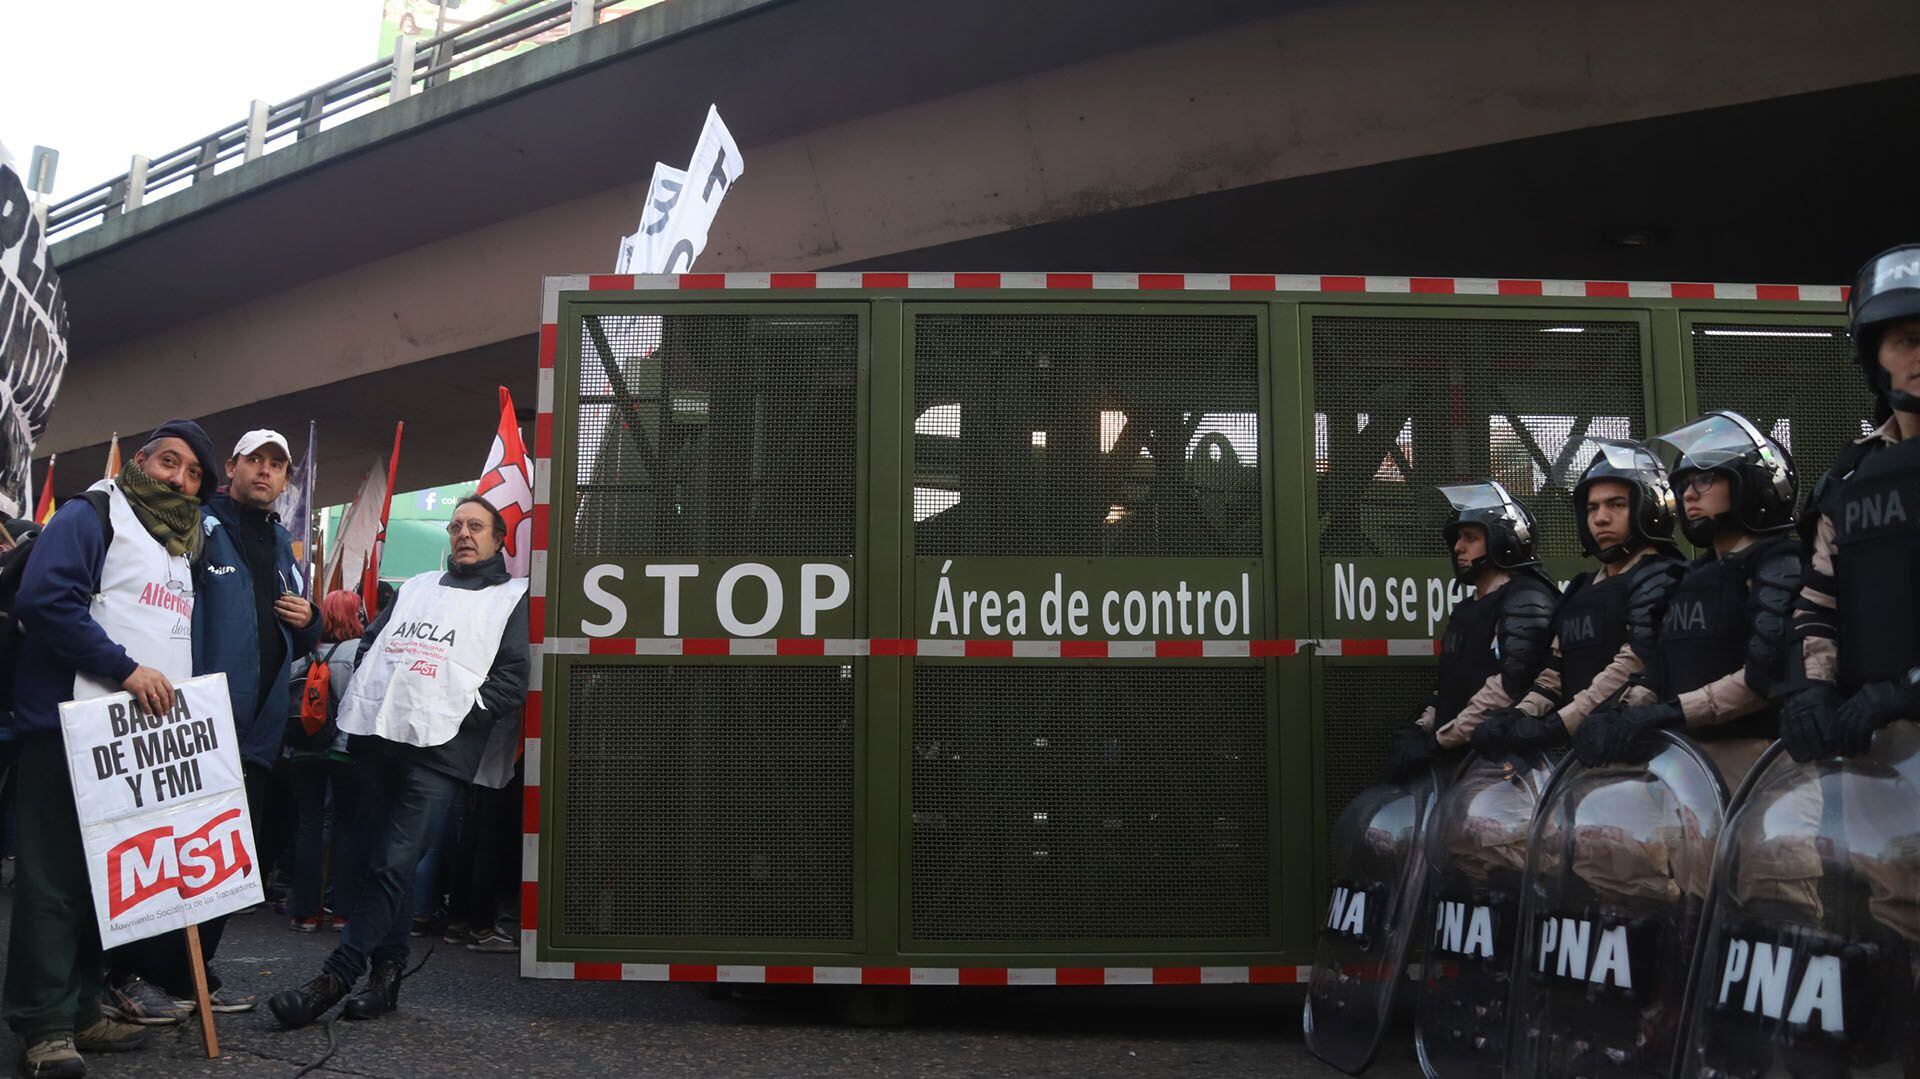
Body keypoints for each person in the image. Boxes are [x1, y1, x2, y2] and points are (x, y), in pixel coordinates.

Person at [3, 420, 220, 1078]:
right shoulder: (91, 512)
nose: (178, 479)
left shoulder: (181, 544)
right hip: (69, 725)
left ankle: (80, 1004)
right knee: (54, 880)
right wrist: (126, 670)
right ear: (141, 461)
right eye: (169, 462)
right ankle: (43, 1023)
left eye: (192, 475)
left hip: (135, 743)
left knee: (107, 879)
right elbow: (46, 598)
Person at [269, 495, 530, 1029]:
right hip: (380, 743)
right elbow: (373, 644)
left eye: (476, 526)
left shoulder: (512, 598)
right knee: (383, 865)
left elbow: (511, 679)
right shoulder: (414, 588)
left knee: (393, 862)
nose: (463, 533)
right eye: (456, 525)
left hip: (441, 753)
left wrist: (461, 711)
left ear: (500, 540)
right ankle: (386, 978)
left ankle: (335, 977)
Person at [104, 429, 320, 1016]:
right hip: (194, 722)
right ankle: (121, 974)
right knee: (163, 852)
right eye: (256, 460)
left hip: (256, 733)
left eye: (278, 465)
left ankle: (184, 977)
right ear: (232, 467)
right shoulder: (198, 524)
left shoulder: (282, 545)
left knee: (223, 861)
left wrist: (312, 620)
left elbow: (295, 636)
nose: (267, 472)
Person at [1470, 440, 1687, 756]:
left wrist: (1558, 724)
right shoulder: (1581, 589)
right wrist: (1520, 715)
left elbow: (1633, 668)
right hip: (1580, 762)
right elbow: (1552, 675)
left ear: (1647, 507)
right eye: (1592, 508)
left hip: (1648, 758)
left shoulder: (1664, 577)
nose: (1600, 518)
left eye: (1616, 505)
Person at [1384, 479, 1558, 778]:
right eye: (1458, 538)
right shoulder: (1467, 609)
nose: (1458, 547)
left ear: (1502, 540)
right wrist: (1421, 726)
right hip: (1459, 763)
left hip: (1503, 768)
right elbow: (1450, 683)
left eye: (1470, 537)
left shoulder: (1527, 598)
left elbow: (1511, 685)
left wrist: (1441, 740)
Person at [286, 590, 366, 933]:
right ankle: (343, 912)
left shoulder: (301, 654)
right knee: (347, 828)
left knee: (308, 825)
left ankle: (304, 912)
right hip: (344, 750)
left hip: (303, 749)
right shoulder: (360, 652)